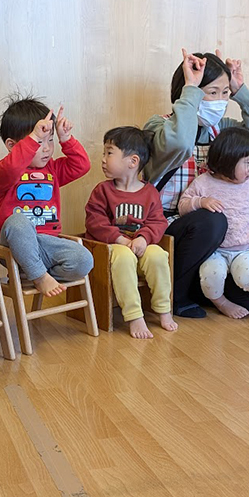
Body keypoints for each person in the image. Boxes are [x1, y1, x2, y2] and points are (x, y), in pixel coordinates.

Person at [144, 49, 249, 318]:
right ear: (188, 91)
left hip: (219, 240)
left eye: (225, 93)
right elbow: (179, 143)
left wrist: (240, 91)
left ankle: (199, 289)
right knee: (210, 220)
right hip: (168, 225)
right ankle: (177, 297)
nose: (220, 101)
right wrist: (190, 92)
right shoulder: (158, 126)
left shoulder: (223, 130)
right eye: (211, 92)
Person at [0, 97, 93, 297]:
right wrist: (33, 139)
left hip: (47, 243)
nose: (46, 148)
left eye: (50, 140)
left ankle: (34, 271)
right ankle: (39, 276)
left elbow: (82, 165)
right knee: (18, 222)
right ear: (12, 145)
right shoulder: (5, 171)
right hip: (13, 245)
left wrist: (66, 139)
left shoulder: (53, 169)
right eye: (39, 142)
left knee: (84, 260)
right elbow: (13, 166)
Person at [179, 127, 249, 320]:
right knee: (210, 276)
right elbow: (183, 206)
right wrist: (200, 202)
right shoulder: (203, 182)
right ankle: (222, 303)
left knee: (248, 278)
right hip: (216, 250)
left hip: (244, 248)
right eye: (247, 162)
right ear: (227, 160)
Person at [84, 126, 176, 339]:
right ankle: (134, 315)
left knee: (158, 255)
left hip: (141, 248)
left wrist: (144, 238)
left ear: (133, 161)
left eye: (109, 153)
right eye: (104, 153)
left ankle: (163, 308)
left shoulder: (150, 192)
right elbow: (95, 222)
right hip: (112, 250)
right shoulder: (102, 191)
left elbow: (158, 222)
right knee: (124, 256)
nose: (103, 159)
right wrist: (120, 239)